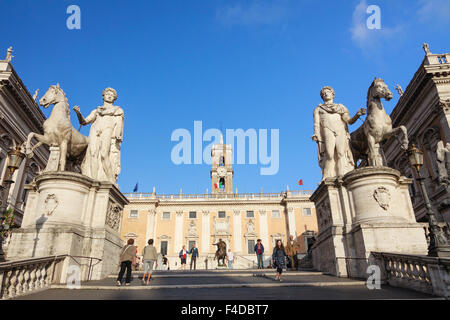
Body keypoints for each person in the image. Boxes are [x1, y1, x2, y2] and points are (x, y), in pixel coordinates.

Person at [312, 86, 365, 180]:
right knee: (329, 154)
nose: (325, 94)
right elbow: (316, 124)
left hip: (340, 130)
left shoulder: (340, 107)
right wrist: (316, 134)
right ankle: (327, 176)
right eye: (323, 93)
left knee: (341, 153)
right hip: (327, 130)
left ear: (332, 94)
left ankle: (344, 176)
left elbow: (348, 120)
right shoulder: (318, 109)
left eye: (327, 92)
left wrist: (357, 115)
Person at [73, 87, 124, 184]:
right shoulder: (96, 111)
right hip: (95, 131)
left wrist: (118, 135)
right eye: (107, 93)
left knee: (104, 154)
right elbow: (84, 122)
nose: (109, 96)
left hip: (107, 131)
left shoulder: (118, 110)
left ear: (114, 98)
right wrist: (78, 113)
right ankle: (93, 180)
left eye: (112, 95)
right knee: (93, 154)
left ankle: (111, 180)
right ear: (103, 96)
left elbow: (119, 126)